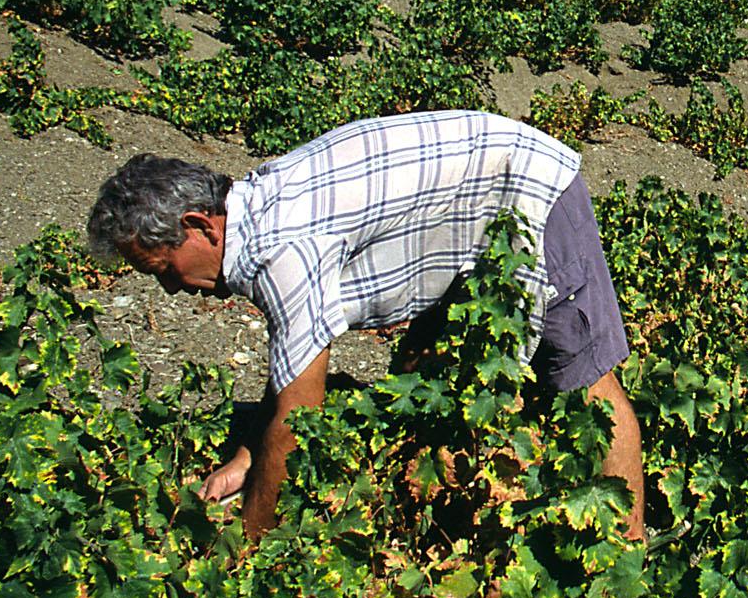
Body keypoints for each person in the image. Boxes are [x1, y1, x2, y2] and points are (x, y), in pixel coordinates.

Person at [86, 111, 645, 541]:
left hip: (527, 189)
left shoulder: (283, 249)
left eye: (162, 269)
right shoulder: (253, 210)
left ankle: (630, 555)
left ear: (198, 226)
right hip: (463, 205)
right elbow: (291, 354)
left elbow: (297, 420)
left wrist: (250, 546)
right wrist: (248, 456)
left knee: (584, 383)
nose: (170, 288)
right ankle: (440, 510)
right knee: (416, 370)